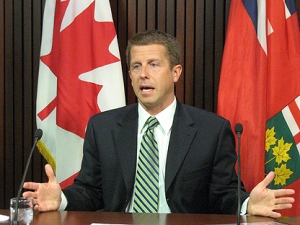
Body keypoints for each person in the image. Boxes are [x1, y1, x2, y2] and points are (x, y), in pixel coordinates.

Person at [23, 30, 295, 217]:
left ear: (175, 72)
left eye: (153, 65)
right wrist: (63, 200)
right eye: (136, 66)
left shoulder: (211, 130)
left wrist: (247, 204)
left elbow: (222, 194)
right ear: (128, 74)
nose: (143, 74)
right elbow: (91, 190)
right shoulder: (103, 127)